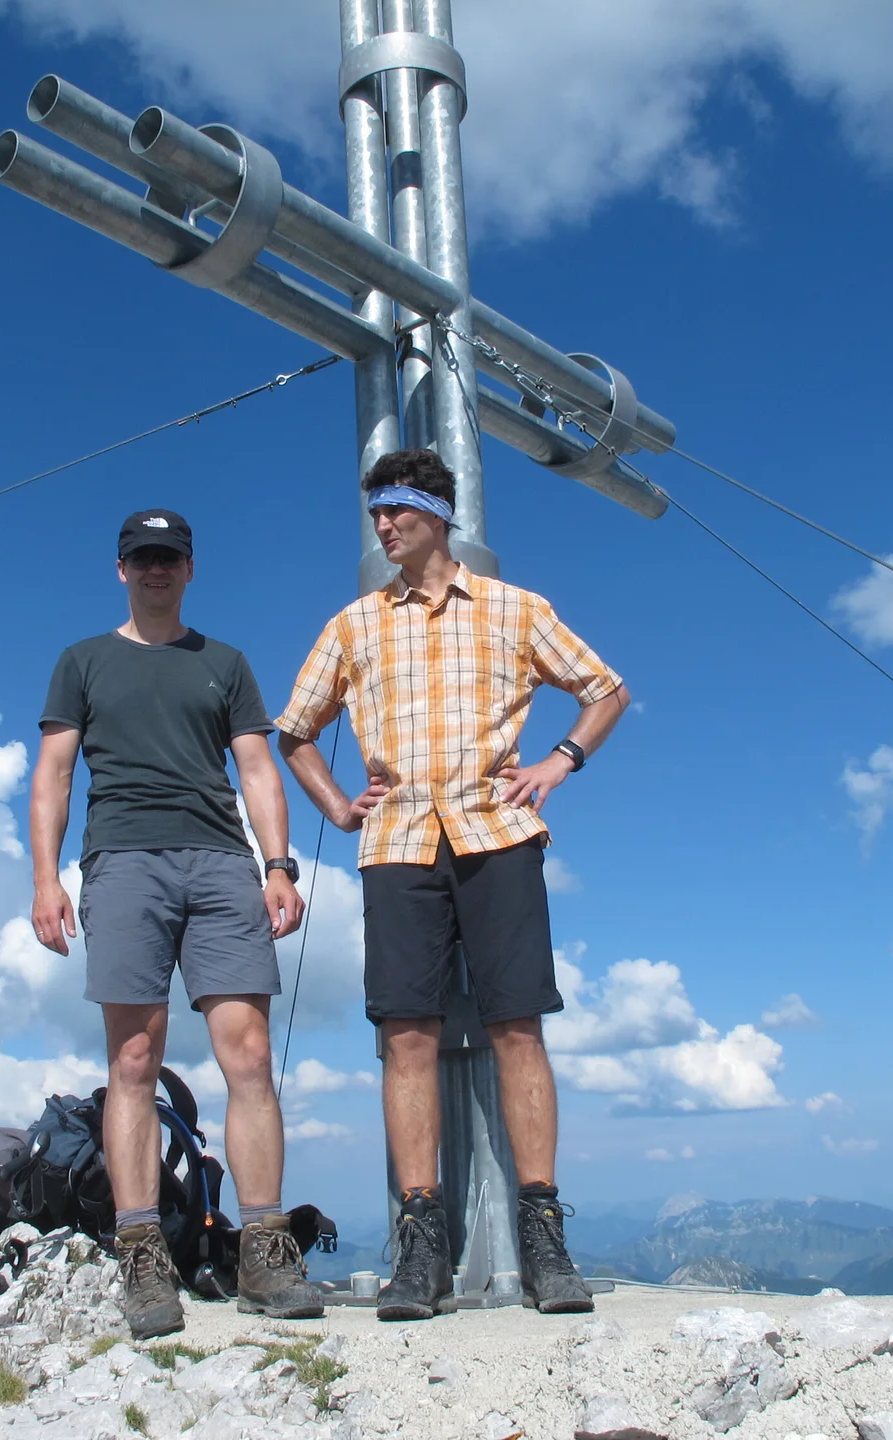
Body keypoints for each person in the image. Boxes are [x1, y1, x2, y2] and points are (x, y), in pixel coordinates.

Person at [274, 450, 630, 1321]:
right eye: (376, 517)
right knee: (407, 1036)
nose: (382, 528)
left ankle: (543, 1237)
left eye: (395, 512)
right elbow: (294, 730)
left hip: (498, 831)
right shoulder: (354, 625)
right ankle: (420, 1243)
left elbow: (605, 688)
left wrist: (559, 760)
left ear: (436, 514)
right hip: (396, 843)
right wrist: (338, 806)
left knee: (517, 1026)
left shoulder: (515, 610)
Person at [29, 508, 321, 1340]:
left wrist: (277, 864)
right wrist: (45, 879)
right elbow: (52, 775)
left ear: (190, 568)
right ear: (121, 568)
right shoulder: (81, 661)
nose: (156, 569)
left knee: (251, 1055)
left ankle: (265, 1249)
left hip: (222, 865)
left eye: (170, 557)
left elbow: (258, 767)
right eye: (142, 557)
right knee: (132, 1058)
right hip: (122, 862)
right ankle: (141, 1254)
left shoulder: (223, 663)